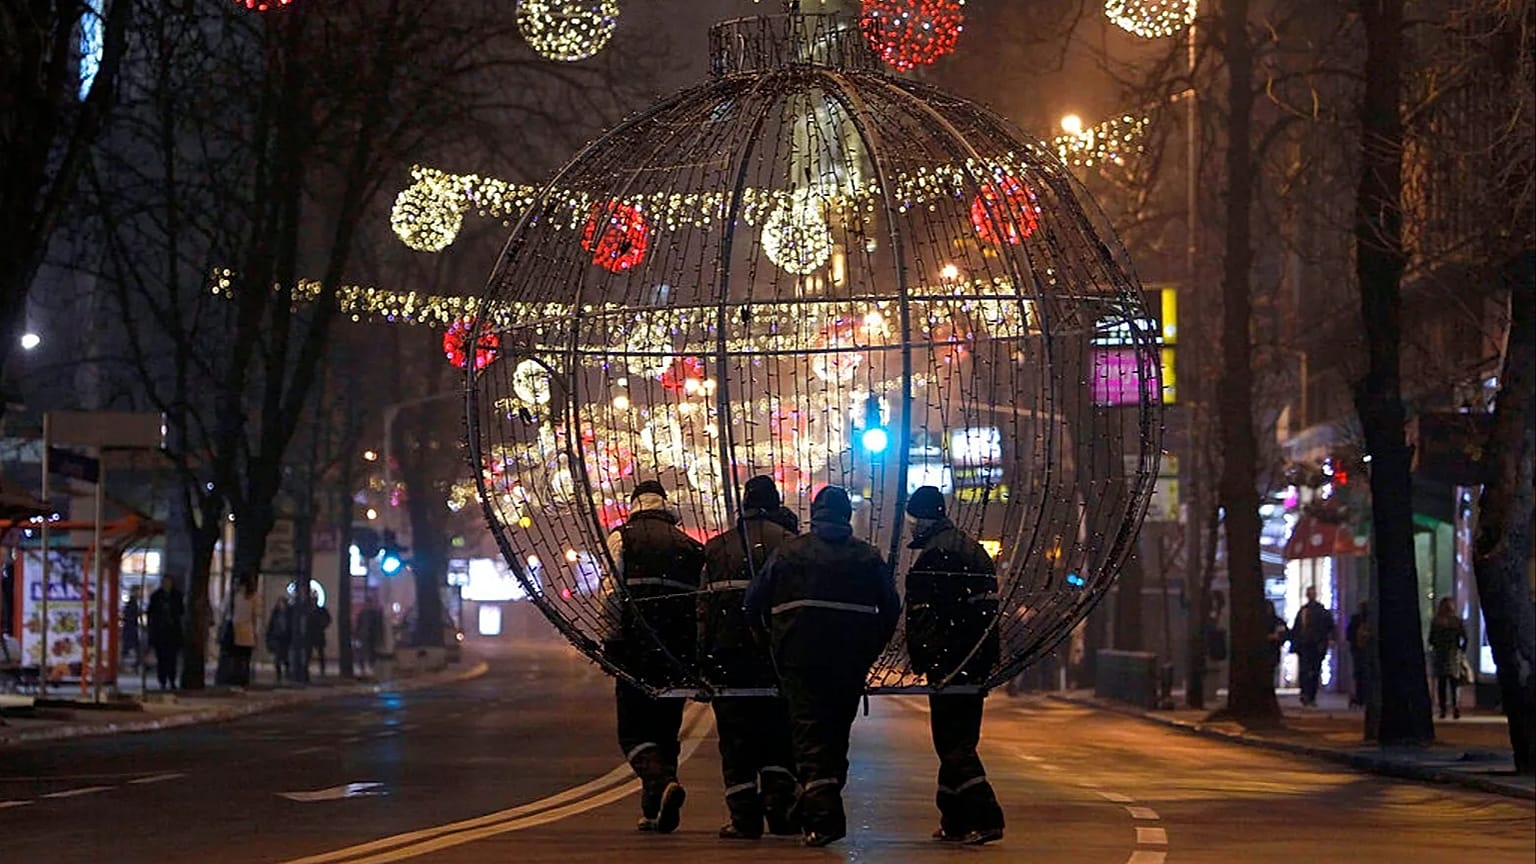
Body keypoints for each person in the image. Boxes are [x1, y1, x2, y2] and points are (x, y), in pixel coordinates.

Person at [744, 486, 900, 848]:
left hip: (800, 659)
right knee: (835, 736)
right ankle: (813, 805)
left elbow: (753, 602)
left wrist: (770, 643)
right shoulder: (868, 557)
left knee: (810, 735)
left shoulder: (789, 553)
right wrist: (870, 647)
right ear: (847, 516)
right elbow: (890, 608)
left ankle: (825, 817)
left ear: (815, 515)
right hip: (849, 661)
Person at [902, 486, 1005, 846]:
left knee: (953, 742)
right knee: (959, 739)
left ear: (921, 519)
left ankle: (984, 815)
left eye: (912, 521)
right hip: (973, 661)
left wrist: (926, 657)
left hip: (950, 662)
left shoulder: (937, 555)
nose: (911, 528)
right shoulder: (970, 548)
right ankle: (954, 817)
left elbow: (927, 615)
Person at [699, 475, 799, 840]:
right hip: (775, 659)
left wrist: (702, 662)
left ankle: (744, 819)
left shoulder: (716, 548)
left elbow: (703, 610)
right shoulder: (790, 545)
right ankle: (781, 808)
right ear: (774, 505)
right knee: (777, 736)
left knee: (736, 740)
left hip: (728, 658)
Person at [605, 479, 705, 834]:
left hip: (635, 648)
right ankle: (654, 810)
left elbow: (613, 593)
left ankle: (661, 784)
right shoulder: (692, 548)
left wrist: (612, 638)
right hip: (676, 653)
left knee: (633, 731)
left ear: (634, 505)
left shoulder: (623, 539)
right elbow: (701, 607)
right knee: (666, 730)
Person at [1289, 586, 1334, 706]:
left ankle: (1310, 695)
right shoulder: (1305, 610)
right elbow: (1297, 629)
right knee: (1307, 670)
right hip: (1306, 644)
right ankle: (1306, 694)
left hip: (1315, 644)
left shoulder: (1319, 611)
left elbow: (1329, 627)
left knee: (1312, 670)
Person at [1428, 598, 1468, 720]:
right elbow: (1465, 637)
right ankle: (1455, 707)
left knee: (1441, 684)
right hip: (1453, 654)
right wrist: (1461, 650)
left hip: (1440, 655)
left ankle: (1443, 709)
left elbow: (1431, 639)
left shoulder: (1436, 622)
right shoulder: (1457, 622)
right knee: (1454, 683)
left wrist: (1436, 646)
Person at [146, 575, 185, 690]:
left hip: (173, 632)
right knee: (162, 659)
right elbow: (151, 614)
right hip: (160, 632)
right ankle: (162, 680)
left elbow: (181, 612)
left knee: (172, 659)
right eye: (165, 582)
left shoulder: (177, 596)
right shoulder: (156, 596)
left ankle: (172, 680)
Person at [230, 580, 260, 687]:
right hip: (247, 631)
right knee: (245, 658)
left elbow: (224, 610)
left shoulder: (235, 596)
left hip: (237, 629)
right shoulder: (253, 597)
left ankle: (237, 679)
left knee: (237, 658)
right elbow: (256, 615)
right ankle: (243, 679)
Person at [1345, 601, 1371, 709]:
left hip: (1361, 651)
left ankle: (1362, 697)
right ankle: (1361, 697)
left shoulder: (1364, 620)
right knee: (1360, 674)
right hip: (1359, 651)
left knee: (1361, 675)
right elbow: (1349, 634)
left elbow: (1348, 635)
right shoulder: (1358, 620)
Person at [356, 598, 385, 677]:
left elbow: (359, 625)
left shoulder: (369, 614)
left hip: (369, 636)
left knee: (370, 653)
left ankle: (369, 667)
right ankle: (366, 668)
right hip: (366, 636)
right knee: (365, 653)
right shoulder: (369, 614)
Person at [267, 597, 292, 683]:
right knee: (277, 658)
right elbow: (271, 626)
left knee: (286, 658)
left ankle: (287, 673)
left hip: (286, 638)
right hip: (277, 638)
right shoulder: (275, 614)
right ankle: (279, 674)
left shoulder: (289, 614)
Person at [309, 593, 332, 677]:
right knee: (310, 652)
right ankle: (307, 668)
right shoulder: (309, 610)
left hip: (318, 634)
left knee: (320, 653)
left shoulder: (321, 610)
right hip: (311, 634)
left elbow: (328, 619)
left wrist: (322, 625)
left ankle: (322, 669)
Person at [122, 594, 143, 671]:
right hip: (131, 629)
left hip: (129, 629)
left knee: (128, 646)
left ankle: (133, 663)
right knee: (134, 646)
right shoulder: (133, 607)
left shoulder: (129, 607)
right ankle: (136, 663)